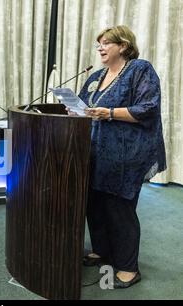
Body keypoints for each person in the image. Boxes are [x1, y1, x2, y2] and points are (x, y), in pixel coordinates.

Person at [77, 25, 166, 289]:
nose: (101, 48)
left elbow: (148, 107)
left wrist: (111, 113)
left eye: (106, 43)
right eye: (99, 44)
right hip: (94, 152)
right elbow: (83, 105)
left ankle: (128, 267)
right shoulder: (97, 76)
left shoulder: (140, 69)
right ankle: (102, 250)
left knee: (119, 209)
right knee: (94, 204)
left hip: (126, 154)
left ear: (123, 46)